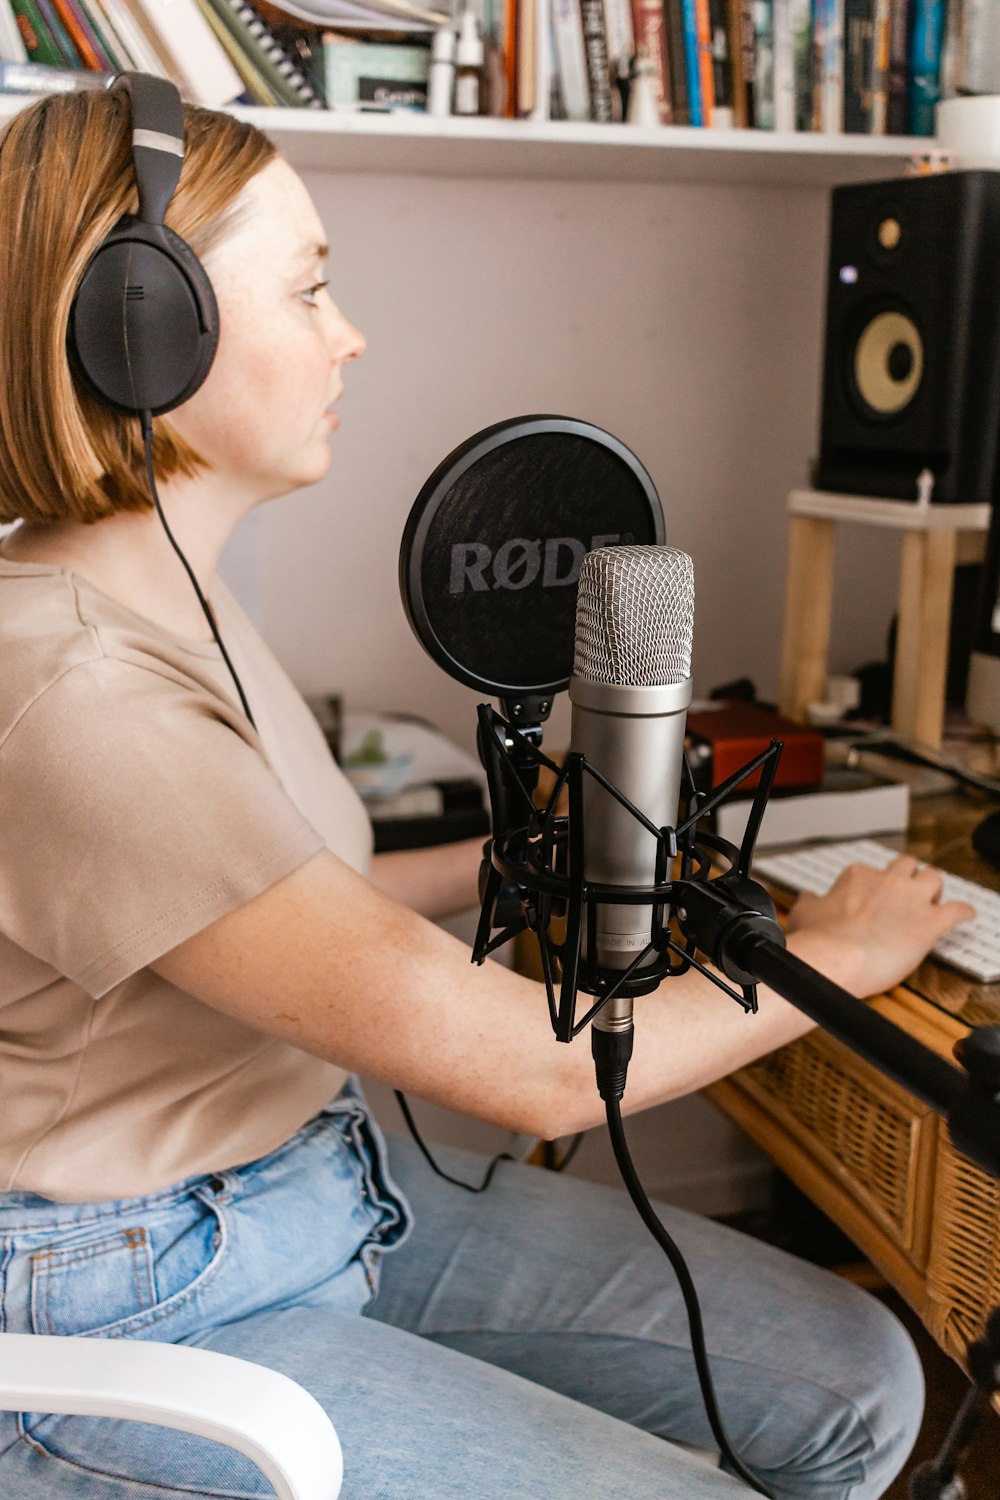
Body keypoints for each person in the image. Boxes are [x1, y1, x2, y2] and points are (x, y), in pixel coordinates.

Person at [0, 80, 976, 1500]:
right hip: (143, 1286)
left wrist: (510, 849)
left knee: (859, 1382)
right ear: (143, 327)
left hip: (319, 1189)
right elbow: (533, 1069)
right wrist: (835, 956)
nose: (352, 336)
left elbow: (263, 911)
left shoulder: (159, 592)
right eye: (311, 289)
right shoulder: (79, 690)